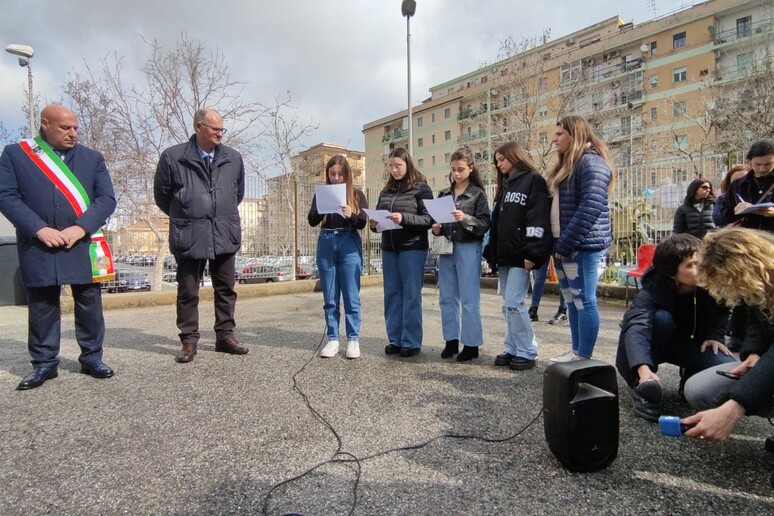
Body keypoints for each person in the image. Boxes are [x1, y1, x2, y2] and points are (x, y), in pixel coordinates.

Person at [0, 104, 117, 390]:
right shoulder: (17, 155)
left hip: (82, 241)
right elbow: (6, 195)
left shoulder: (92, 158)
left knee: (89, 304)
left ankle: (92, 358)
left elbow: (106, 199)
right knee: (42, 306)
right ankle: (44, 364)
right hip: (39, 242)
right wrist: (39, 228)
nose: (73, 133)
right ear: (45, 125)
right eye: (65, 127)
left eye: (76, 127)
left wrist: (81, 227)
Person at [154, 108, 248, 363]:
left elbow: (236, 194)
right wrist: (187, 212)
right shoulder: (173, 157)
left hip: (224, 232)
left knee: (226, 288)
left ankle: (225, 336)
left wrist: (217, 212)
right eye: (214, 128)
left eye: (222, 129)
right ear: (198, 127)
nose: (220, 133)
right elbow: (162, 196)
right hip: (189, 233)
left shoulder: (234, 158)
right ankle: (188, 340)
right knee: (188, 290)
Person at [615, 234, 735, 422]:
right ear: (672, 273)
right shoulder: (652, 291)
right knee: (661, 318)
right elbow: (637, 328)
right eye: (690, 265)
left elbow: (723, 310)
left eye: (700, 261)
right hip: (652, 346)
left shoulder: (711, 283)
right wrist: (642, 370)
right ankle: (643, 388)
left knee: (726, 367)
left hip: (688, 344)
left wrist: (715, 336)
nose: (700, 268)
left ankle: (690, 380)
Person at [680, 228, 774, 442]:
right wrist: (754, 353)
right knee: (701, 390)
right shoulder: (763, 283)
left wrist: (733, 409)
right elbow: (757, 322)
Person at [546, 115, 614, 362]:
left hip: (582, 246)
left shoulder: (591, 163)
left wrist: (566, 242)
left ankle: (583, 355)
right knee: (571, 300)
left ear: (576, 135)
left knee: (584, 300)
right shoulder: (568, 165)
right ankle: (576, 351)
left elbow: (591, 205)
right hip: (564, 244)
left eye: (560, 133)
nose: (555, 139)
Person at [483, 142, 552, 370]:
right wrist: (492, 254)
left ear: (515, 156)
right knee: (508, 304)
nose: (499, 164)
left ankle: (527, 350)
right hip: (506, 254)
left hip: (522, 254)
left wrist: (533, 250)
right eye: (497, 160)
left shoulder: (533, 180)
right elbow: (499, 224)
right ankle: (512, 346)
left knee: (514, 302)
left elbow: (537, 216)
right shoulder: (505, 186)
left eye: (502, 159)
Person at [371, 148, 433, 358]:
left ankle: (411, 341)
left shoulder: (421, 188)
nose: (394, 169)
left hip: (413, 248)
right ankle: (395, 339)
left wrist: (403, 218)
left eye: (398, 165)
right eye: (391, 166)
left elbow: (428, 220)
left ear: (407, 164)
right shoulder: (385, 191)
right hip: (389, 248)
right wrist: (374, 223)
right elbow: (379, 217)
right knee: (391, 294)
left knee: (411, 295)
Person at [430, 147, 490, 361]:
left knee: (469, 299)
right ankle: (451, 340)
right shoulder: (444, 194)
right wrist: (437, 228)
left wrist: (464, 217)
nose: (456, 174)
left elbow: (484, 225)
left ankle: (472, 344)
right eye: (453, 170)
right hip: (446, 249)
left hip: (468, 248)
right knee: (447, 298)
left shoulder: (477, 194)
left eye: (461, 170)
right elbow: (441, 221)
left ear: (471, 168)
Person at [308, 155, 368, 359]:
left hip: (348, 242)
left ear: (347, 175)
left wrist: (351, 214)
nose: (336, 178)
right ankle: (333, 338)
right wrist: (320, 209)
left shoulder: (357, 194)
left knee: (351, 295)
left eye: (340, 174)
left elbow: (362, 223)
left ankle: (353, 339)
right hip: (326, 241)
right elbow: (311, 221)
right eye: (332, 174)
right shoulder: (322, 194)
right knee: (330, 296)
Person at [721, 138, 774, 233]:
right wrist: (735, 210)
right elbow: (724, 214)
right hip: (747, 238)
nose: (762, 169)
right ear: (750, 162)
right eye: (757, 164)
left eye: (768, 164)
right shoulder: (738, 184)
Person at [528, 257, 566, 325]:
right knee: (538, 279)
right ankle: (533, 310)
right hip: (543, 248)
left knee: (561, 278)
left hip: (557, 248)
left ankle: (563, 310)